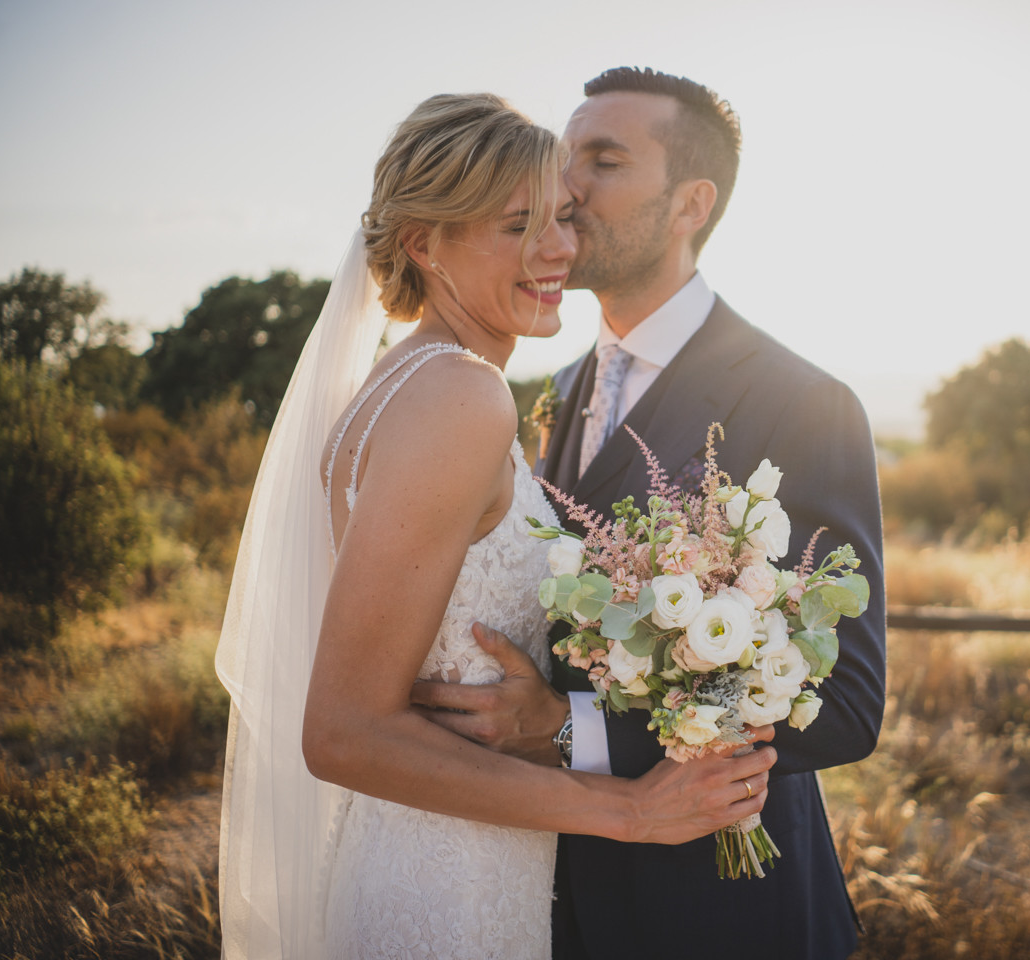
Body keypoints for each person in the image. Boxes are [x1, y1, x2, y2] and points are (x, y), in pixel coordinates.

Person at [216, 92, 776, 960]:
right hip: (451, 894)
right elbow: (342, 731)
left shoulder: (403, 387)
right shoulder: (461, 397)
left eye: (557, 216)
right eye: (515, 225)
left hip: (429, 853)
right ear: (423, 244)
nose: (557, 247)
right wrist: (630, 811)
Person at [411, 69, 888, 960]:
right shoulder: (553, 390)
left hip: (725, 909)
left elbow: (848, 703)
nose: (566, 188)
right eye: (565, 159)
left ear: (689, 204)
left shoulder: (804, 402)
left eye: (605, 161)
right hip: (558, 898)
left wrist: (566, 730)